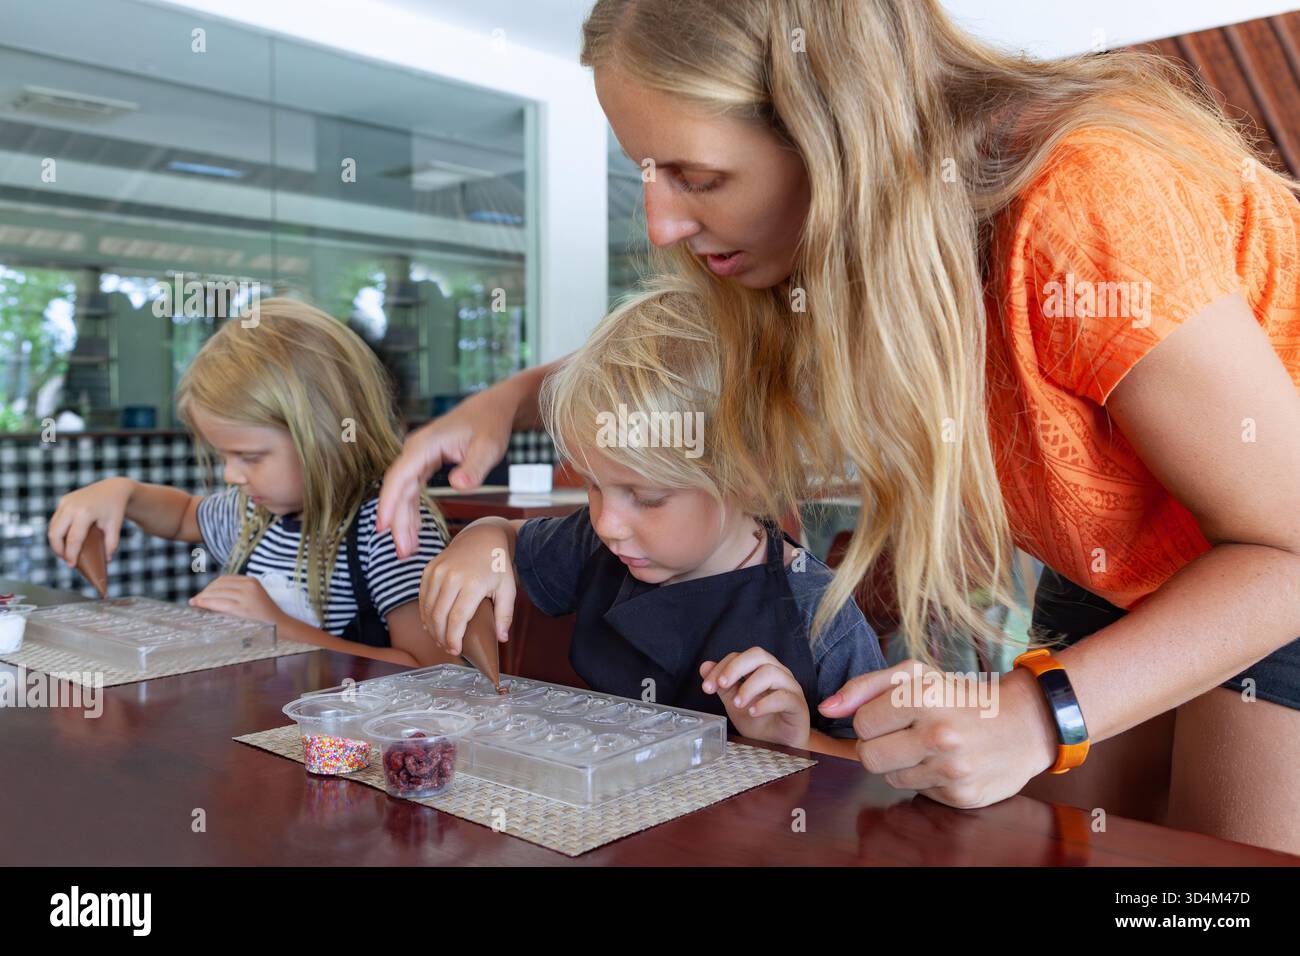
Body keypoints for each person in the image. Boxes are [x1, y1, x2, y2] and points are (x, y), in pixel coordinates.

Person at [378, 0, 1300, 853]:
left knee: (1213, 882)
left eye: (699, 176)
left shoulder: (1084, 203)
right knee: (1062, 848)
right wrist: (501, 404)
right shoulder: (831, 260)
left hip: (1270, 565)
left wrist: (1036, 712)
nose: (661, 222)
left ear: (835, 130)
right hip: (1116, 561)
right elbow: (681, 370)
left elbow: (1285, 548)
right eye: (648, 174)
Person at [416, 279, 886, 756]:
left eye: (647, 497)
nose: (606, 523)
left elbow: (877, 771)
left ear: (747, 476)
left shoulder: (819, 615)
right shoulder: (597, 545)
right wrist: (481, 541)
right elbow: (508, 537)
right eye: (594, 486)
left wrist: (799, 740)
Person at [49, 297, 455, 667]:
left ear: (325, 436)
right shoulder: (255, 513)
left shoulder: (388, 530)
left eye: (250, 456)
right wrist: (125, 493)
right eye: (223, 455)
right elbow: (182, 516)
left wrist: (279, 629)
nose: (230, 474)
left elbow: (432, 673)